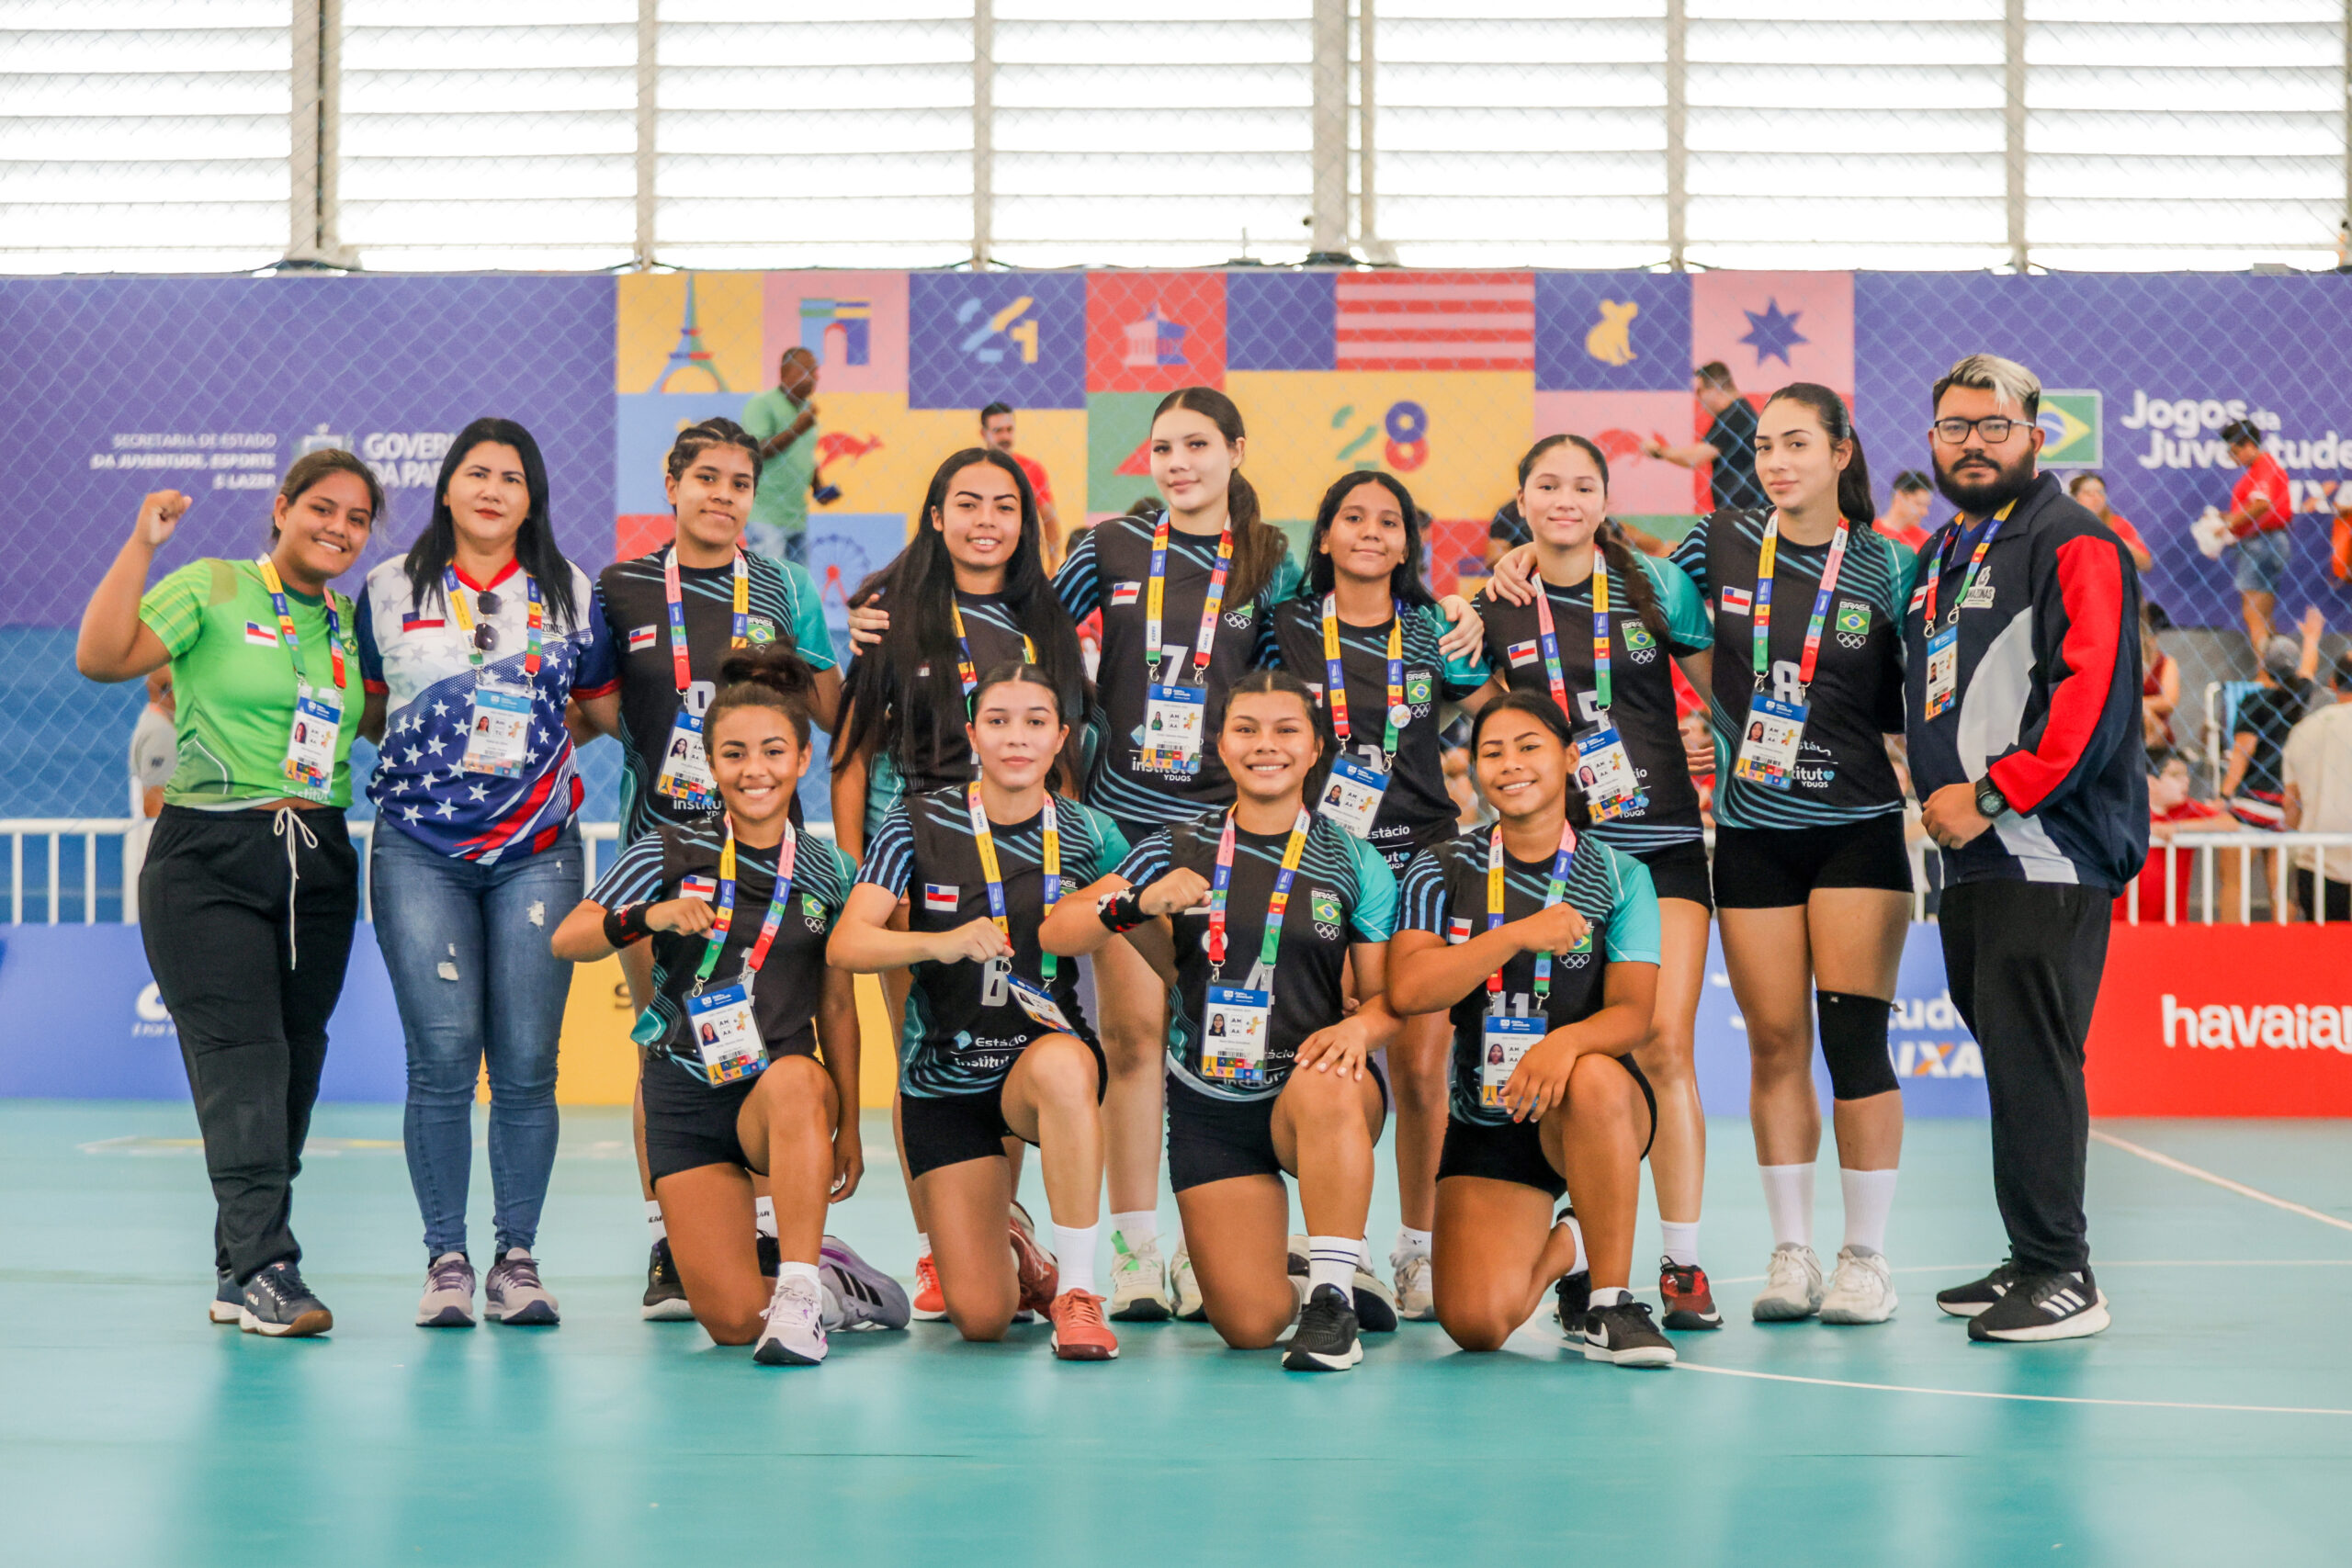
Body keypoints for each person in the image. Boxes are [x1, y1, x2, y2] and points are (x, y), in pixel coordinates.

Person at [74, 457, 379, 1337]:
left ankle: (235, 1266)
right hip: (210, 852)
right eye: (322, 507)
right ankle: (269, 1268)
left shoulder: (350, 624)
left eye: (358, 518)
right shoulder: (208, 585)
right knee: (243, 1058)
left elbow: (376, 719)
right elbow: (101, 656)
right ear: (281, 509)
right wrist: (142, 544)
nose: (339, 527)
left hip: (319, 855)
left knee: (294, 1064)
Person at [1042, 671, 1404, 1371]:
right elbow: (1057, 931)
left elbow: (1388, 1001)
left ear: (1313, 748)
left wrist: (1361, 1029)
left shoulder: (1354, 860)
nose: (1265, 745)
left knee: (1330, 1078)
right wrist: (1135, 905)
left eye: (1285, 730)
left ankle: (1333, 1297)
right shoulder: (1176, 845)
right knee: (1249, 1325)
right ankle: (1301, 1269)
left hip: (1313, 1092)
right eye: (1246, 730)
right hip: (1211, 1104)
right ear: (1221, 745)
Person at [553, 646, 894, 1364]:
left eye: (773, 751)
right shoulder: (668, 851)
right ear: (712, 766)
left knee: (800, 1076)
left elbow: (837, 1009)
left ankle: (799, 1294)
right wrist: (645, 918)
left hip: (775, 1095)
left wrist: (853, 1129)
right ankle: (832, 1285)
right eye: (734, 754)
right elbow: (570, 938)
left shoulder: (830, 872)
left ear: (803, 759)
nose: (755, 769)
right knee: (734, 1323)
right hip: (686, 1099)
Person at [355, 418, 618, 1329]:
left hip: (537, 857)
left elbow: (592, 707)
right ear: (447, 487)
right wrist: (440, 772)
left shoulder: (571, 591)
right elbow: (371, 710)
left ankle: (515, 1260)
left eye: (513, 477)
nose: (494, 489)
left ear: (532, 498)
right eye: (478, 472)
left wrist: (527, 770)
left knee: (527, 1067)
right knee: (437, 1064)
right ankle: (446, 1263)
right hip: (417, 854)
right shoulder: (387, 589)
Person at [1907, 353, 2144, 1344]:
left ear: (2033, 435)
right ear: (1931, 442)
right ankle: (2029, 1251)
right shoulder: (1942, 555)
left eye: (1992, 426)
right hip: (1971, 853)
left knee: (2035, 1055)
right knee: (2009, 1054)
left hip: (2043, 848)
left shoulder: (2074, 542)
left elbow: (2089, 696)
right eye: (1955, 427)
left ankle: (2063, 1274)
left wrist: (1997, 792)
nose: (1973, 443)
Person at [1668, 383, 1917, 1326]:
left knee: (1853, 1040)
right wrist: (1709, 721)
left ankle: (1865, 1259)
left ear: (1841, 453)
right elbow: (1640, 607)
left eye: (1798, 444)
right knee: (1775, 1043)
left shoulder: (1889, 568)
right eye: (1766, 445)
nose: (1776, 461)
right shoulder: (1715, 542)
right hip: (1751, 833)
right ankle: (1792, 1254)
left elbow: (1922, 696)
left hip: (1855, 827)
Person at [584, 416, 842, 1318]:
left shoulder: (782, 587)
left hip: (769, 862)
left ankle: (771, 1226)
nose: (723, 496)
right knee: (664, 1040)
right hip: (661, 855)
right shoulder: (617, 589)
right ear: (672, 482)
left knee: (773, 1038)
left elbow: (822, 708)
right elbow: (597, 709)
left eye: (740, 482)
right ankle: (668, 1239)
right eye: (707, 478)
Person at [831, 446, 1094, 1313]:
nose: (987, 520)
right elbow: (852, 754)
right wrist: (852, 870)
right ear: (936, 516)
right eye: (967, 503)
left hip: (1016, 867)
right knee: (927, 1046)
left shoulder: (1045, 619)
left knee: (1009, 1030)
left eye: (1006, 506)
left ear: (1026, 524)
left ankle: (1002, 1222)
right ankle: (936, 1248)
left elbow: (1061, 762)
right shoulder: (886, 610)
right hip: (910, 863)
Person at [1476, 435, 1724, 1331]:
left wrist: (1711, 743)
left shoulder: (1655, 586)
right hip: (1555, 862)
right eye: (1547, 484)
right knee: (1576, 1051)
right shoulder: (1495, 604)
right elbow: (1479, 721)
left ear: (1604, 498)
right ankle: (1586, 1242)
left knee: (1662, 1044)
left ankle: (1683, 1264)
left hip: (1659, 846)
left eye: (1583, 485)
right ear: (1524, 498)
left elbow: (1719, 692)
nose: (1565, 499)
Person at [831, 663, 1127, 1359]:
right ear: (972, 734)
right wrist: (938, 941)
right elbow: (848, 942)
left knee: (1060, 1068)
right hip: (944, 1083)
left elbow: (1146, 931)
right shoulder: (915, 823)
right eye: (997, 721)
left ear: (1061, 738)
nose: (1016, 737)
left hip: (1040, 1064)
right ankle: (1016, 1249)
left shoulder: (1091, 833)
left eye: (1035, 722)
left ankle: (1079, 1293)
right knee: (982, 1318)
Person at [1385, 694, 1675, 1366]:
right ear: (1476, 769)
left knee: (1597, 1076)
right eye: (1492, 752)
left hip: (1587, 1104)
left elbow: (1633, 1015)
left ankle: (1610, 1303)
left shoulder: (1618, 874)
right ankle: (1575, 1237)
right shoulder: (1440, 867)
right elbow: (1409, 989)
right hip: (1490, 1116)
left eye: (1529, 746)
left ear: (1571, 759)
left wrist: (1563, 1045)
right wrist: (1516, 933)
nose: (1510, 764)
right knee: (1477, 1323)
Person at [1269, 468, 1490, 1319]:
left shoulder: (1436, 630)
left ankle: (1418, 1248)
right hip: (1315, 861)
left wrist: (1480, 606)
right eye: (1351, 518)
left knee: (1423, 1064)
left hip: (1424, 859)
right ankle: (1332, 1245)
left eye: (1388, 521)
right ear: (1322, 537)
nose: (1370, 531)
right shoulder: (1285, 626)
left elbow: (1497, 700)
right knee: (1319, 1053)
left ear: (1407, 543)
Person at [2222, 610, 2324, 829]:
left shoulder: (2254, 701)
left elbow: (2243, 751)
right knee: (2276, 862)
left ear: (2264, 665)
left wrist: (2224, 795)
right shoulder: (2298, 697)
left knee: (2236, 864)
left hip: (2255, 797)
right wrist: (2311, 638)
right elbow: (2308, 670)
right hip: (2286, 803)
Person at [2120, 750, 2239, 924]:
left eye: (2186, 775)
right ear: (2151, 782)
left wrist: (2177, 828)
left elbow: (2230, 824)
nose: (2186, 781)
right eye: (2175, 775)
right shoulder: (2129, 810)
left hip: (2172, 918)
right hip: (2125, 917)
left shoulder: (2186, 809)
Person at [2282, 649, 2352, 921]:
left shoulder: (2304, 730)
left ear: (2332, 683)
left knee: (2325, 952)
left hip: (2318, 858)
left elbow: (2291, 803)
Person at [1645, 361, 1764, 513]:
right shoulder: (1736, 412)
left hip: (1744, 511)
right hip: (1742, 510)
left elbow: (1694, 457)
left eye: (1700, 391)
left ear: (1715, 388)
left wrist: (1658, 450)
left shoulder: (1735, 415)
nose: (1699, 398)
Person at [741, 346, 822, 566]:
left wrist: (819, 486)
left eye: (814, 371)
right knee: (769, 588)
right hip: (764, 515)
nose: (813, 377)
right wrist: (797, 429)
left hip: (796, 515)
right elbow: (755, 451)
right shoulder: (761, 405)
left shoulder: (807, 410)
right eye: (805, 370)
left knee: (797, 591)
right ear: (784, 374)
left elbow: (804, 452)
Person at [2219, 418, 2293, 655]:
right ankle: (2277, 670)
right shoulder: (2259, 470)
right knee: (2263, 613)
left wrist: (2230, 521)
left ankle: (2264, 674)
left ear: (2250, 445)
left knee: (2254, 613)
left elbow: (2262, 504)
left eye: (2235, 451)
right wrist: (2228, 518)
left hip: (2261, 544)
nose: (2233, 458)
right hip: (2265, 542)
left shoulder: (2264, 466)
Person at [980, 402, 1062, 567]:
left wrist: (1053, 567)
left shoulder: (1032, 469)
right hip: (981, 554)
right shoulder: (971, 470)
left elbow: (1049, 519)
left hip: (1022, 560)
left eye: (1009, 430)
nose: (1005, 437)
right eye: (998, 431)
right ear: (984, 433)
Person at [2065, 473, 2154, 573]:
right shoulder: (2066, 526)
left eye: (2100, 492)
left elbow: (2146, 564)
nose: (2096, 498)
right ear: (2075, 498)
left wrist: (2120, 544)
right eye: (2089, 493)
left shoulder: (2118, 524)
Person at [2139, 610, 2178, 752]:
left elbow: (2169, 701)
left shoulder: (2166, 662)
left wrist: (2141, 705)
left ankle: (2148, 758)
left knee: (2146, 715)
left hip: (2155, 725)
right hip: (2132, 721)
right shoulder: (2128, 663)